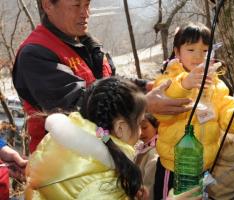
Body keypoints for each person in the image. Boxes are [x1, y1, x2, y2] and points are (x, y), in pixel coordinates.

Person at [13, 0, 192, 153]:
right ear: (48, 5)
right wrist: (143, 103)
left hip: (103, 155)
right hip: (65, 169)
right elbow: (77, 106)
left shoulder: (85, 42)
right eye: (76, 5)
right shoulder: (36, 53)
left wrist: (149, 87)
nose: (85, 13)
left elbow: (112, 83)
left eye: (87, 4)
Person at [153, 22, 234, 199]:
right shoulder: (168, 79)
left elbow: (230, 122)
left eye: (205, 51)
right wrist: (185, 84)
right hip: (173, 168)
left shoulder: (217, 86)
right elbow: (161, 111)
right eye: (191, 49)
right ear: (177, 52)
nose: (198, 56)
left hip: (202, 167)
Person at [25, 77, 148, 199]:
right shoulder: (105, 184)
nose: (140, 131)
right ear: (120, 128)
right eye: (139, 123)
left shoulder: (55, 140)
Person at [135, 113, 159, 200]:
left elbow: (149, 189)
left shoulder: (154, 153)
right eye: (138, 128)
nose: (141, 133)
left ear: (156, 127)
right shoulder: (141, 147)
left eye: (144, 127)